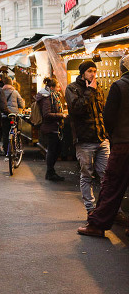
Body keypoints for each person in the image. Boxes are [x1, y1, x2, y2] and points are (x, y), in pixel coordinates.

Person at [79, 54, 129, 237]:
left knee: (111, 185)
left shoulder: (119, 86)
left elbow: (108, 116)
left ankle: (97, 225)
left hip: (123, 143)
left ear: (122, 69)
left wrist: (113, 136)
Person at [66, 60, 109, 216]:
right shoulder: (72, 88)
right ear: (82, 72)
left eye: (95, 71)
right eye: (90, 71)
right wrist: (90, 90)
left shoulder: (97, 89)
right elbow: (77, 109)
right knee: (87, 176)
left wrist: (106, 135)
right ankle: (90, 210)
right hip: (85, 141)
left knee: (107, 176)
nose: (93, 74)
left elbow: (101, 112)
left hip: (101, 139)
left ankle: (107, 209)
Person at [36, 77, 67, 181]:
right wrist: (61, 115)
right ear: (51, 87)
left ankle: (51, 171)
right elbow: (46, 114)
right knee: (53, 150)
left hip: (53, 126)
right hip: (50, 127)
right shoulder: (47, 97)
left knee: (56, 149)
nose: (59, 89)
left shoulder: (51, 96)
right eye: (58, 87)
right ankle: (50, 172)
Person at [0, 76, 25, 154]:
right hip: (14, 115)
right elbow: (22, 105)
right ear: (11, 83)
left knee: (5, 133)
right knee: (16, 131)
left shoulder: (0, 92)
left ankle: (6, 150)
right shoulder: (15, 92)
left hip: (4, 115)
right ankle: (15, 148)